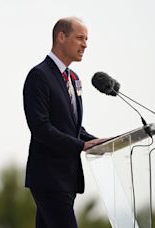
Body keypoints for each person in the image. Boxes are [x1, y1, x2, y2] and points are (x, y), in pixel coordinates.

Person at [22, 17, 108, 228]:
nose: (85, 44)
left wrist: (99, 141)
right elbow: (41, 128)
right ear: (61, 36)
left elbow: (72, 128)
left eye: (86, 39)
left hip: (68, 178)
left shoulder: (74, 78)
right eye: (80, 38)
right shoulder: (39, 76)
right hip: (48, 177)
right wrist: (81, 145)